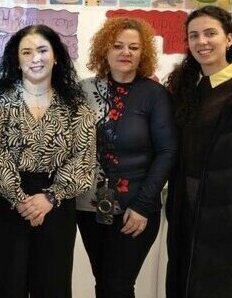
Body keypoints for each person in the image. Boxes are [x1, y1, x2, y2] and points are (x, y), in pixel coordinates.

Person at [0, 24, 96, 298]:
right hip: (7, 204)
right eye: (26, 52)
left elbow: (84, 158)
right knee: (7, 285)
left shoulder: (77, 105)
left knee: (52, 286)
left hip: (56, 204)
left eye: (42, 50)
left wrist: (50, 197)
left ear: (56, 57)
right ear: (16, 60)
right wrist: (19, 199)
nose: (35, 58)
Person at [77, 17, 178, 298]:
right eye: (118, 46)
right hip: (89, 206)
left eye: (134, 47)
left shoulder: (155, 94)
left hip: (136, 207)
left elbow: (167, 152)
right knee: (103, 283)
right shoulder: (84, 90)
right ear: (104, 49)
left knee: (118, 286)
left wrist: (143, 205)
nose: (126, 52)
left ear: (143, 53)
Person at [165, 5, 232, 298]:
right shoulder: (187, 88)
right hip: (187, 209)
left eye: (210, 33)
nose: (201, 41)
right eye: (194, 36)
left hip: (231, 218)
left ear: (229, 39)